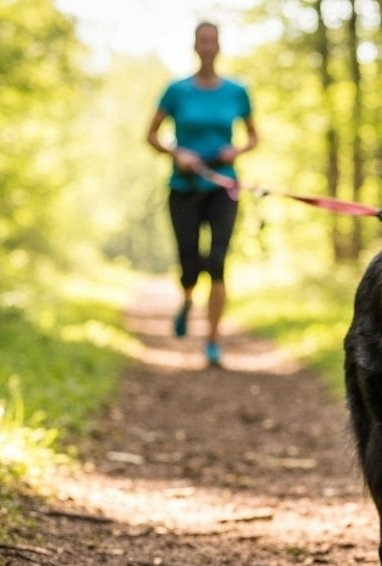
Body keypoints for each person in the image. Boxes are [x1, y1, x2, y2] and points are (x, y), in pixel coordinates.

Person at [146, 21, 258, 368]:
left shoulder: (237, 92)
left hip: (224, 186)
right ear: (195, 46)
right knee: (189, 262)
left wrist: (234, 152)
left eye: (213, 40)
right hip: (184, 188)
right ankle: (187, 298)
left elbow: (253, 137)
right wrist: (176, 152)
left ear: (219, 46)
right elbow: (151, 135)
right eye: (202, 40)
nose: (208, 46)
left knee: (218, 262)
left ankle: (212, 340)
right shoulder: (176, 90)